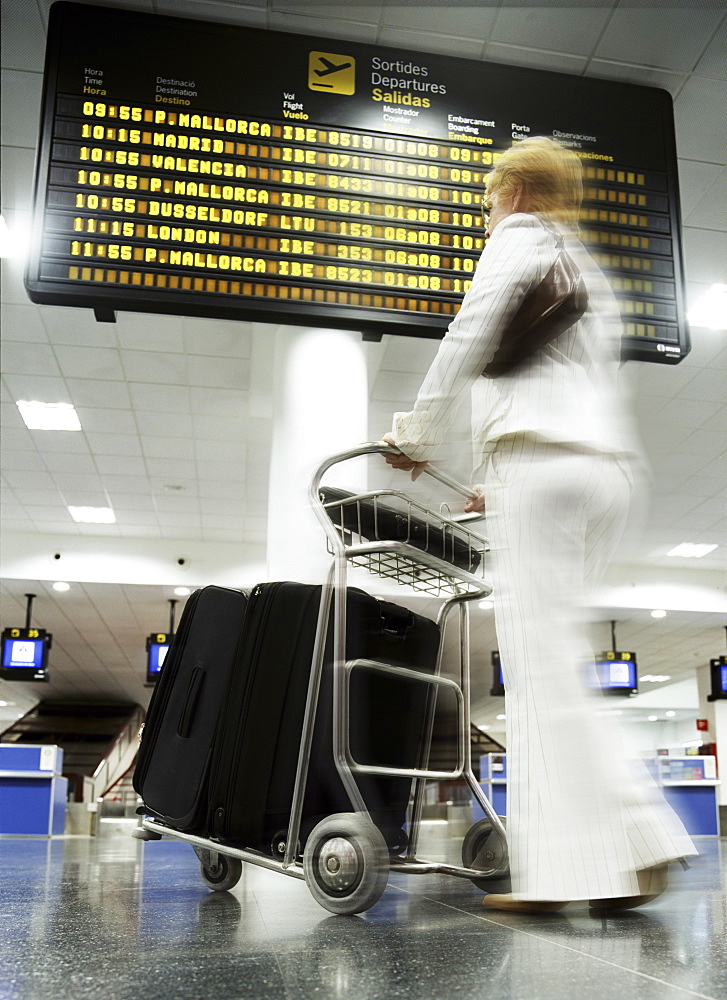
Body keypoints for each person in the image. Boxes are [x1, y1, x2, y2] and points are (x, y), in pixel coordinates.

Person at [383, 137, 696, 913]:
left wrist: (415, 433)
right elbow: (563, 380)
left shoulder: (518, 239)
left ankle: (574, 871)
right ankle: (630, 846)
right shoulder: (585, 265)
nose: (489, 210)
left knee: (539, 669)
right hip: (602, 472)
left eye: (491, 197)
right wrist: (497, 486)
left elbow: (471, 330)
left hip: (542, 468)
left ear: (515, 192)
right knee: (557, 660)